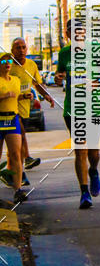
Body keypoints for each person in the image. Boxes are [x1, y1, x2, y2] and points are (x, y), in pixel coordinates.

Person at [54, 19, 100, 209]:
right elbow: (59, 77)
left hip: (93, 107)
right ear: (67, 34)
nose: (77, 33)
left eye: (80, 30)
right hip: (72, 108)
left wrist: (94, 84)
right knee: (80, 150)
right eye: (72, 31)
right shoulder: (64, 53)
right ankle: (84, 192)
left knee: (93, 152)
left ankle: (94, 170)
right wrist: (58, 79)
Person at [10, 38, 55, 177]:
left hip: (24, 108)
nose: (21, 50)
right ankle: (25, 161)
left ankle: (13, 173)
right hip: (9, 108)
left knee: (16, 143)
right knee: (20, 134)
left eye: (24, 47)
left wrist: (46, 95)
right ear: (12, 51)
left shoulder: (31, 65)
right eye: (18, 48)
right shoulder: (8, 65)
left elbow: (37, 83)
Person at [0, 53, 26, 203]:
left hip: (12, 118)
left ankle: (18, 189)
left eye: (9, 61)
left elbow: (16, 96)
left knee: (16, 154)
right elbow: (7, 96)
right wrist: (4, 96)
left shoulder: (16, 80)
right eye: (4, 61)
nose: (7, 63)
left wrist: (25, 97)